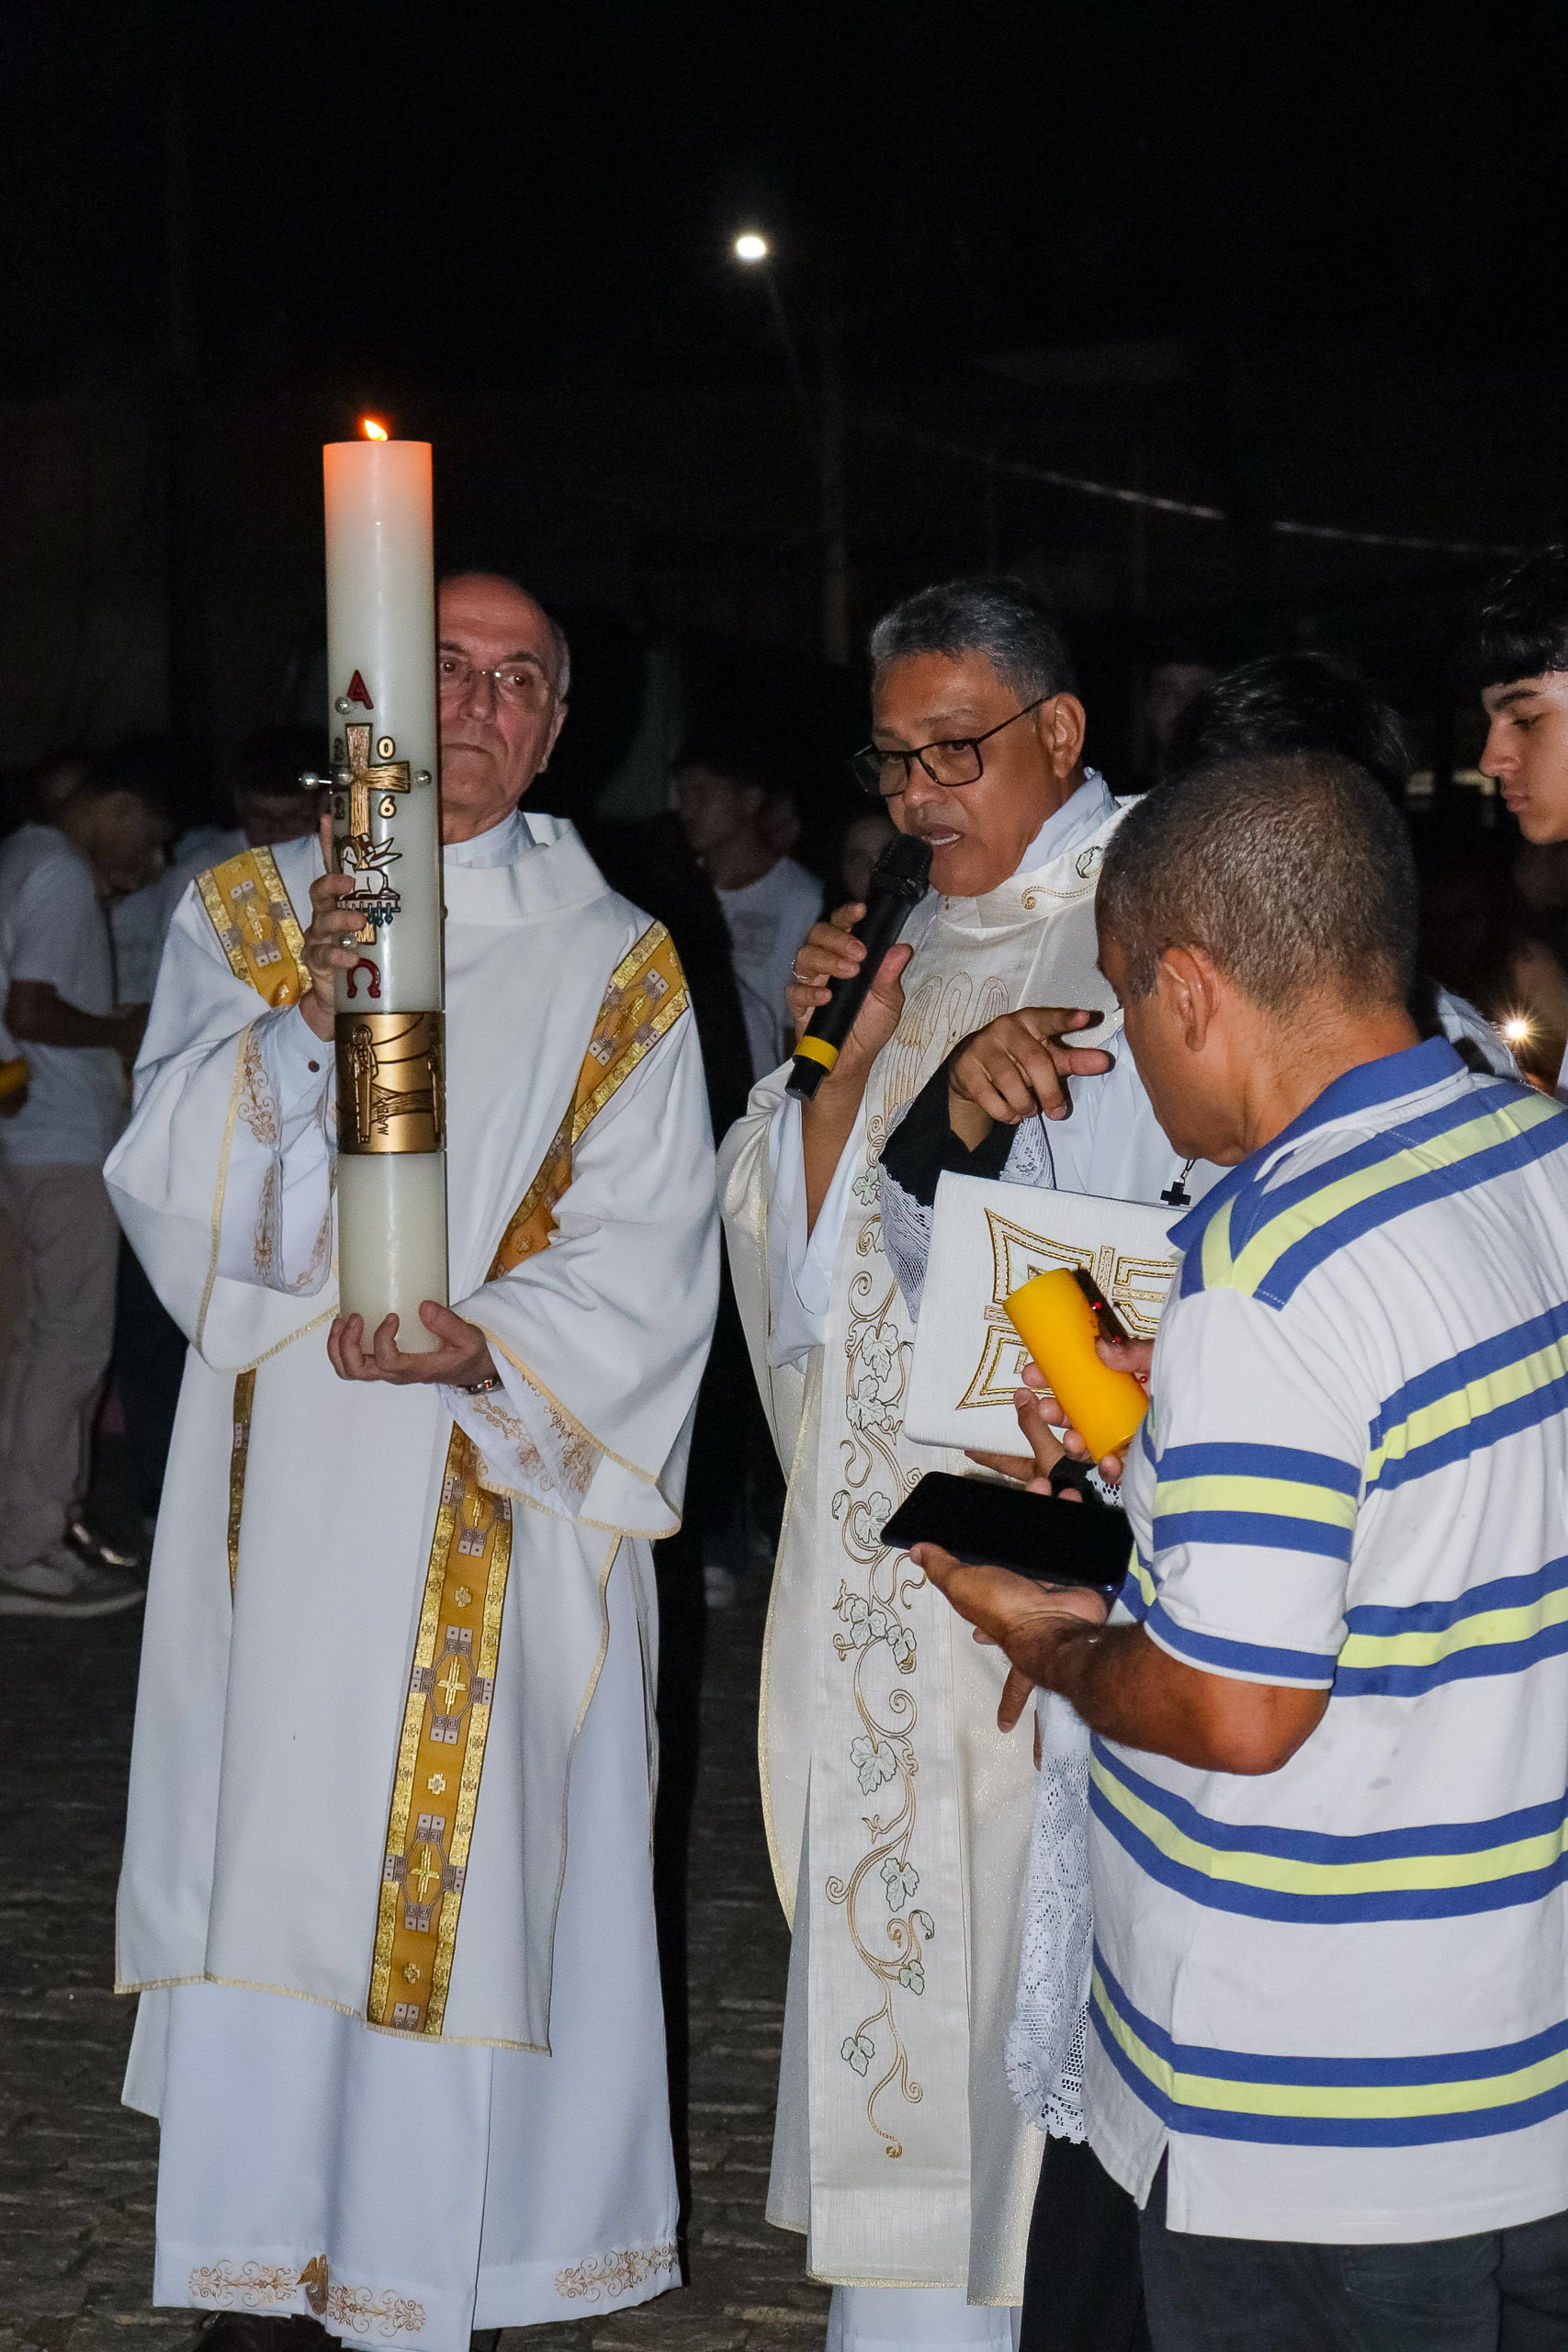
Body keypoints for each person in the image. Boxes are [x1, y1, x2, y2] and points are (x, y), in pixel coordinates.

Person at [109, 572, 719, 2347]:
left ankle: (415, 2280)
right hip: (283, 1497)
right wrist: (306, 1024)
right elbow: (170, 1192)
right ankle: (259, 2279)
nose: (479, 705)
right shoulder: (251, 912)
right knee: (273, 1839)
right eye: (444, 667)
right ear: (368, 695)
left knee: (472, 1884)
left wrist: (492, 1339)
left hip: (493, 1500)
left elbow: (653, 1243)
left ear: (559, 726)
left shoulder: (616, 959)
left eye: (520, 681)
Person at [917, 752, 1568, 2350]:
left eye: (1125, 1000)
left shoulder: (1265, 1257)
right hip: (1522, 2046)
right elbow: (1439, 1492)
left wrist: (1052, 1638)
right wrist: (1167, 1440)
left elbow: (1232, 1708)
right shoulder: (1529, 1147)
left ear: (1188, 989)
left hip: (1319, 2109)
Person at [719, 576, 1149, 2350]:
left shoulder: (1155, 917)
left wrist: (1042, 1578)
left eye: (951, 751)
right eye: (890, 759)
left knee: (1024, 2052)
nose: (913, 795)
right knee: (908, 2015)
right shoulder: (896, 937)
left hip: (1031, 1592)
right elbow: (794, 1269)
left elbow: (1113, 1326)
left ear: (1060, 730)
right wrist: (836, 1074)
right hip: (878, 1576)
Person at [0, 749, 167, 1616]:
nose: (150, 851)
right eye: (148, 830)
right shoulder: (59, 870)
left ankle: (25, 1533)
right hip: (62, 1138)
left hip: (26, 1134)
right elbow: (29, 1008)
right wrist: (116, 1032)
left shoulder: (23, 854)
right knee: (69, 1348)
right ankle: (29, 1545)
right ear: (117, 807)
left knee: (34, 1344)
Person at [672, 738, 823, 1080]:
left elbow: (798, 1022)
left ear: (750, 799)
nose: (688, 809)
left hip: (758, 1090)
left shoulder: (802, 898)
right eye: (683, 794)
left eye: (702, 792)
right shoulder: (676, 891)